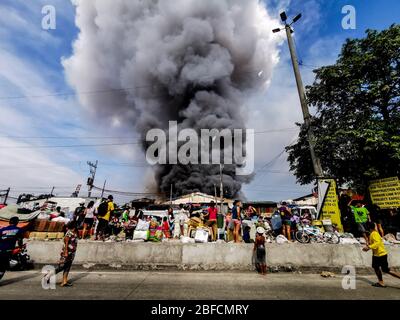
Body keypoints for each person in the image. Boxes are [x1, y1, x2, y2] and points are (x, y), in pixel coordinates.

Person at [362, 222, 400, 288]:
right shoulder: (374, 233)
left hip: (379, 255)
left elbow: (377, 243)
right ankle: (381, 282)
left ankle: (381, 282)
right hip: (379, 254)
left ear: (368, 228)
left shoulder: (374, 234)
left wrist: (369, 247)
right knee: (379, 268)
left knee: (382, 269)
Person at [45, 221, 79, 287]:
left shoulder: (75, 232)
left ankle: (64, 281)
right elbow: (66, 242)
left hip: (72, 252)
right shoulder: (69, 233)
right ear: (74, 226)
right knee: (61, 267)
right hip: (67, 252)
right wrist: (66, 252)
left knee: (68, 266)